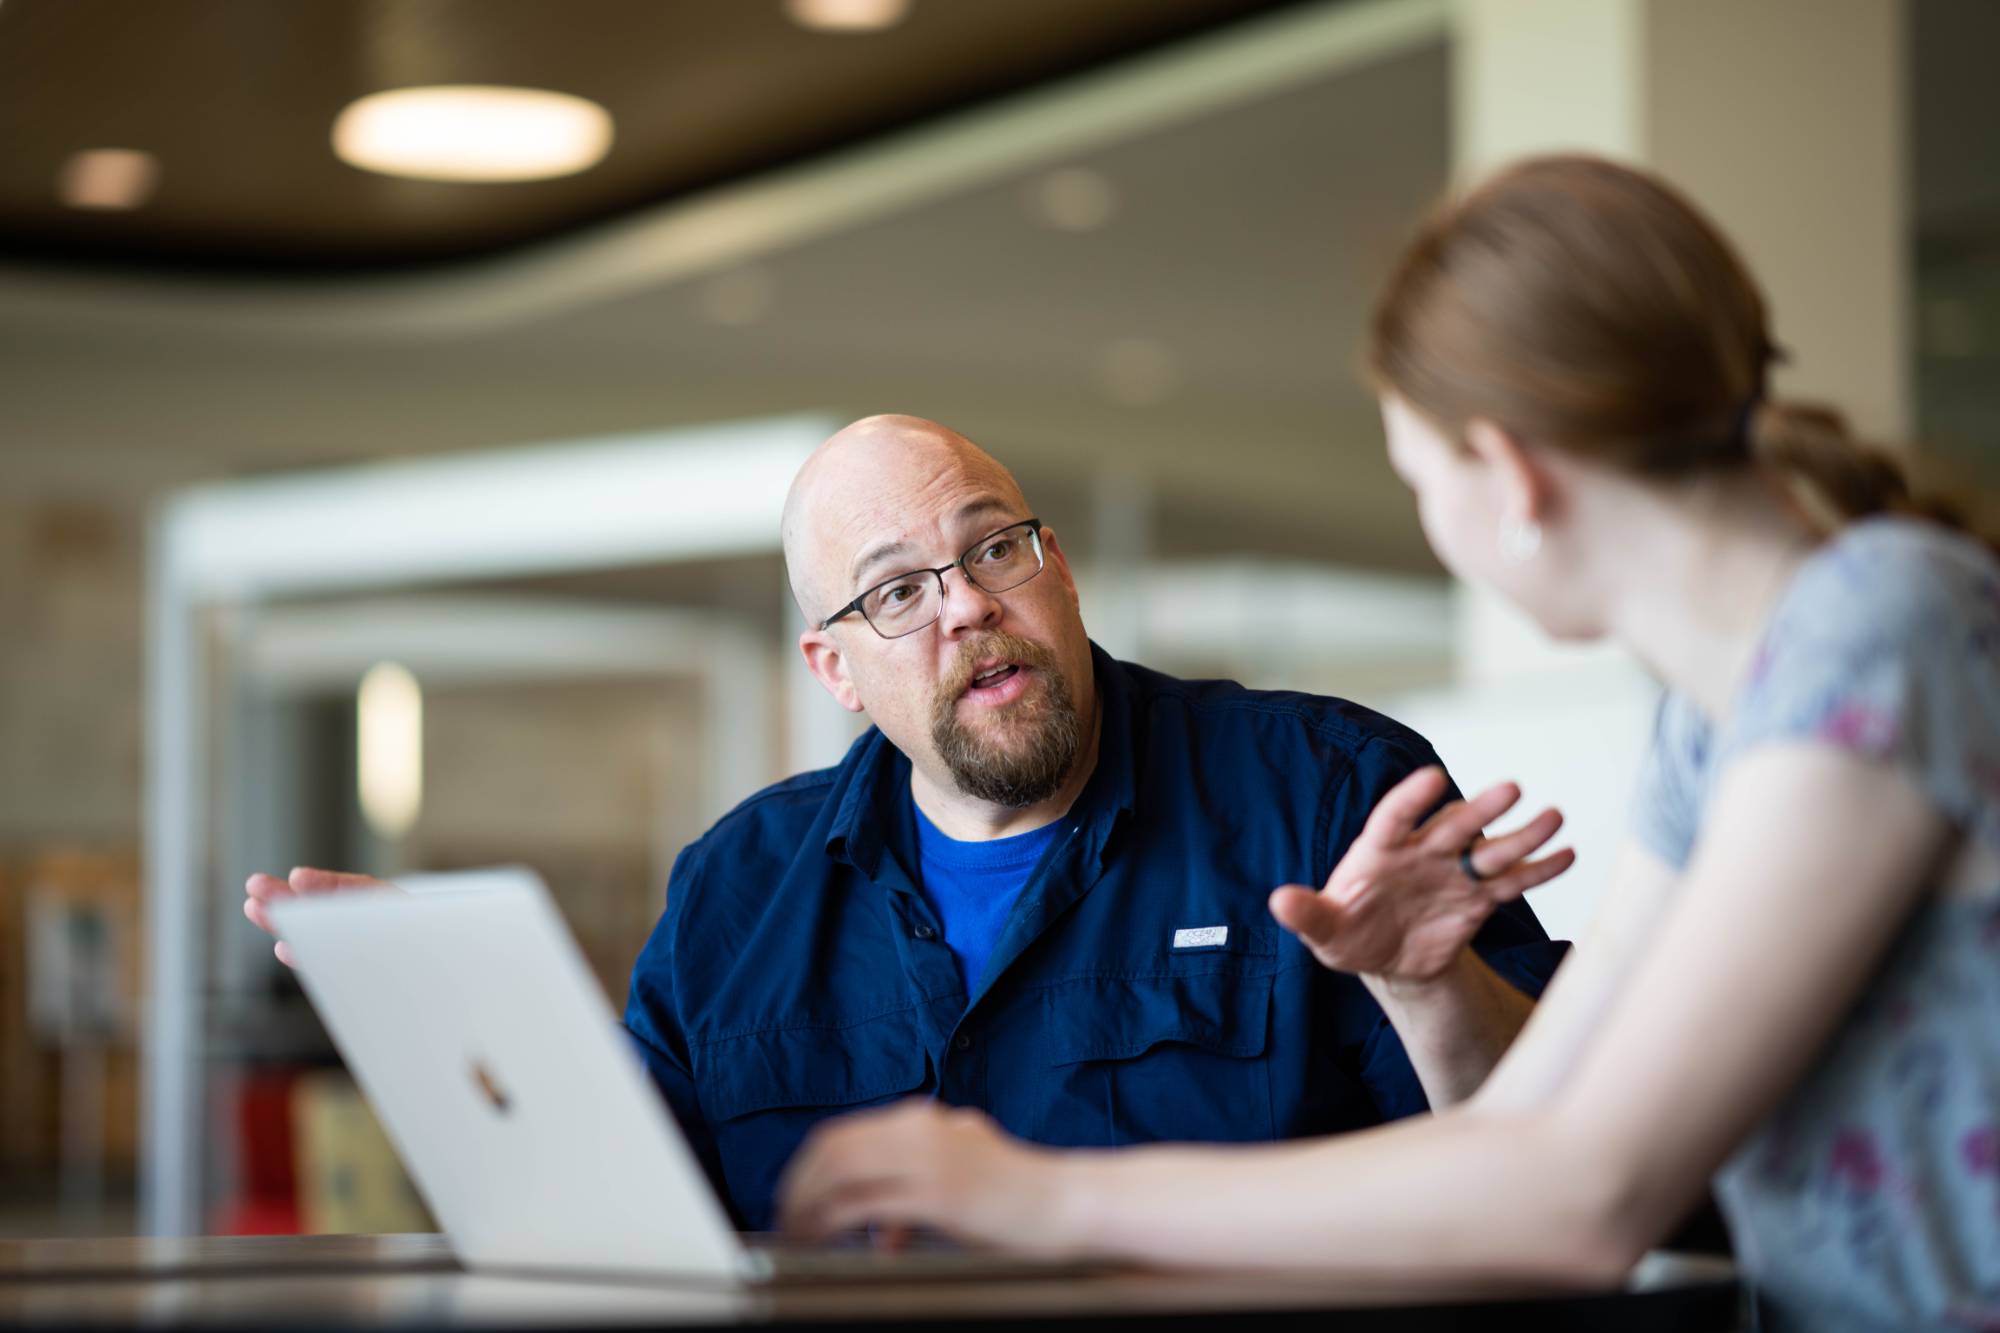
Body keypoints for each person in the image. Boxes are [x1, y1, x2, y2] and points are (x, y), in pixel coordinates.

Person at [774, 158, 2000, 1330]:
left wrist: (1036, 1198)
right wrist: (1422, 989)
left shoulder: (1879, 628)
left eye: (1417, 478)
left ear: (1507, 477)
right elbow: (1519, 1128)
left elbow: (1582, 1194)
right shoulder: (1718, 711)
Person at [245, 413, 1575, 1232]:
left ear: (1054, 566)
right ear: (836, 670)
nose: (965, 606)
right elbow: (632, 1212)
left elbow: (1561, 1161)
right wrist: (461, 1010)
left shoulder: (1332, 793)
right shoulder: (740, 889)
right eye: (894, 593)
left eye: (994, 548)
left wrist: (1430, 990)